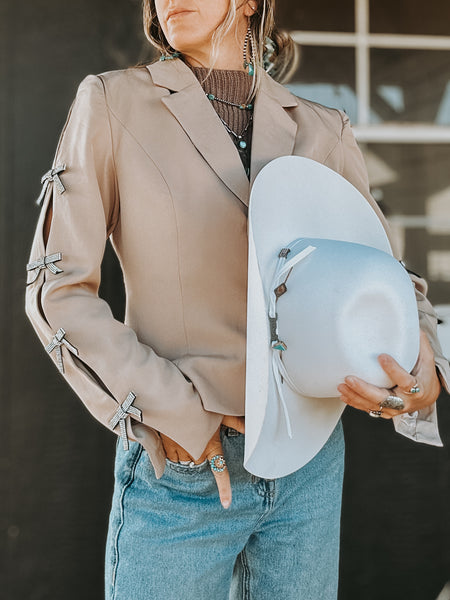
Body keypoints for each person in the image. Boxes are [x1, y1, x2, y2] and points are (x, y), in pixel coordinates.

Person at [25, 1, 450, 598]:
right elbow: (56, 290)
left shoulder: (324, 128)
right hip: (182, 471)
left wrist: (423, 362)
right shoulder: (113, 103)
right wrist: (177, 414)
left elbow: (383, 273)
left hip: (309, 462)